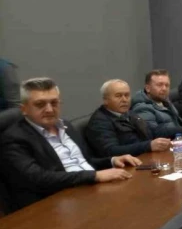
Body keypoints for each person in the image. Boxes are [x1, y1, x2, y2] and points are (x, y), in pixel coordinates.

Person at [0, 77, 141, 212]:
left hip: (91, 192)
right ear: (24, 109)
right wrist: (94, 176)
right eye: (40, 104)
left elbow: (85, 162)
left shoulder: (66, 126)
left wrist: (112, 160)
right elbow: (38, 178)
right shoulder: (14, 138)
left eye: (54, 103)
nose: (49, 109)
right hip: (53, 206)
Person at [86, 80, 182, 158]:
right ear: (105, 100)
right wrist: (149, 145)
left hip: (146, 159)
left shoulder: (128, 113)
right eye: (118, 96)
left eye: (127, 95)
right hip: (124, 168)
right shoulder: (100, 121)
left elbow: (154, 131)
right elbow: (111, 151)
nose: (124, 99)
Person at [131, 69, 182, 136]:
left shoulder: (166, 103)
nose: (164, 88)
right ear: (147, 88)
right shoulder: (142, 107)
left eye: (167, 85)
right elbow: (155, 132)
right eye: (160, 85)